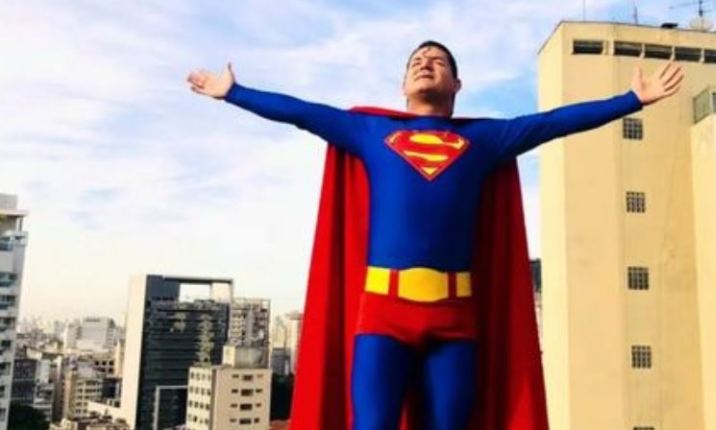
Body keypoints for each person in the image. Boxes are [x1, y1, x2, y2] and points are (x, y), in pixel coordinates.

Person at [188, 40, 684, 430]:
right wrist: (234, 92)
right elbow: (303, 112)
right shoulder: (369, 132)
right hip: (382, 315)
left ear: (457, 83)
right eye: (417, 61)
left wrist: (631, 100)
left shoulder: (485, 139)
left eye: (438, 61)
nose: (426, 63)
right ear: (403, 84)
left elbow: (554, 123)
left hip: (454, 320)